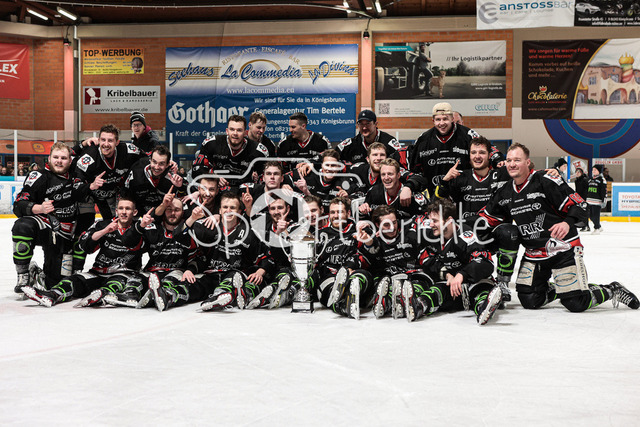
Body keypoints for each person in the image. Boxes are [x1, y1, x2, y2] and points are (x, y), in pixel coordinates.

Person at [480, 143, 639, 313]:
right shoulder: (505, 191)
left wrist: (567, 222)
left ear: (528, 162)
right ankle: (563, 289)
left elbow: (580, 205)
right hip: (534, 254)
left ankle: (612, 289)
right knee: (530, 300)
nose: (512, 164)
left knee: (576, 303)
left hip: (563, 249)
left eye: (517, 160)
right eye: (509, 160)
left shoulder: (545, 180)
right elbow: (487, 217)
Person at [12, 142, 104, 292]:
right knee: (22, 226)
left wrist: (85, 143)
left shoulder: (76, 173)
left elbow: (82, 153)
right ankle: (23, 275)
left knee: (57, 283)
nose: (59, 161)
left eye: (63, 158)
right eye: (55, 157)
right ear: (49, 158)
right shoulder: (39, 176)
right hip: (45, 225)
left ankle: (37, 275)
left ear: (70, 160)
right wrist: (40, 208)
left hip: (66, 233)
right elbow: (18, 205)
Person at [21, 196, 145, 307]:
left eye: (128, 209)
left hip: (124, 274)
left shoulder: (141, 228)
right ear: (116, 211)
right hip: (98, 273)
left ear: (134, 212)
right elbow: (84, 245)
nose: (124, 212)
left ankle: (102, 296)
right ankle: (51, 295)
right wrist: (104, 231)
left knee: (114, 283)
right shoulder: (103, 224)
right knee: (72, 280)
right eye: (121, 208)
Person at [435, 136, 517, 300]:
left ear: (489, 155)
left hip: (494, 233)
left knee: (510, 232)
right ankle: (468, 278)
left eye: (481, 152)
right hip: (469, 235)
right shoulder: (460, 177)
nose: (477, 156)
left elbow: (526, 173)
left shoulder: (502, 174)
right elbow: (437, 205)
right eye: (473, 152)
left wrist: (552, 172)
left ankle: (502, 283)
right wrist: (445, 181)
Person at [402, 199, 503, 324]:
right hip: (452, 288)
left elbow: (485, 262)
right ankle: (418, 306)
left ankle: (484, 307)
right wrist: (446, 274)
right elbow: (426, 259)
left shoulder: (465, 236)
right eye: (430, 220)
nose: (431, 224)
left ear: (449, 220)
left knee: (480, 291)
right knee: (437, 290)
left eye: (435, 221)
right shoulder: (432, 235)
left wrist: (461, 275)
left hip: (475, 283)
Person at [408, 102, 504, 196]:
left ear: (452, 119)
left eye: (445, 119)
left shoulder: (468, 134)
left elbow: (488, 149)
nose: (441, 123)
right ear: (433, 120)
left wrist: (498, 160)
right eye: (438, 119)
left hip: (466, 195)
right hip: (435, 195)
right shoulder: (423, 139)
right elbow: (414, 168)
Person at [357, 205, 431, 319]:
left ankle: (405, 303)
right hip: (390, 280)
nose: (392, 227)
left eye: (394, 222)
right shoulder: (375, 239)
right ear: (377, 225)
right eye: (386, 224)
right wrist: (368, 241)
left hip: (413, 277)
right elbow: (371, 251)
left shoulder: (409, 233)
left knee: (416, 286)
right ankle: (385, 303)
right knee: (385, 286)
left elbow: (425, 217)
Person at [74, 124, 146, 220]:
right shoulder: (88, 157)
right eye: (103, 140)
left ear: (117, 142)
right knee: (87, 220)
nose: (106, 144)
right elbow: (75, 186)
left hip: (116, 192)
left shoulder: (127, 149)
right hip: (93, 193)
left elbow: (148, 159)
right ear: (98, 140)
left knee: (121, 221)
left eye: (110, 140)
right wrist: (91, 186)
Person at [191, 114, 268, 189]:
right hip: (216, 191)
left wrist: (257, 179)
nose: (235, 133)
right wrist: (213, 177)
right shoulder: (211, 144)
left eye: (239, 130)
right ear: (227, 131)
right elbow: (196, 170)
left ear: (245, 133)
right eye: (232, 129)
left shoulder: (259, 151)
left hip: (244, 192)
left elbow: (265, 181)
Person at [123, 145, 185, 214]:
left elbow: (184, 196)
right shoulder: (136, 173)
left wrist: (180, 187)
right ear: (150, 160)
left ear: (168, 164)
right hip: (138, 214)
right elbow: (125, 196)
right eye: (154, 162)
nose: (156, 167)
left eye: (161, 164)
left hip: (163, 215)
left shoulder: (173, 175)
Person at [360, 158, 427, 220]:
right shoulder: (373, 192)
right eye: (383, 174)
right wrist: (362, 211)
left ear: (398, 175)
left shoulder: (412, 196)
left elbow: (425, 220)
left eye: (390, 174)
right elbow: (364, 218)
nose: (386, 178)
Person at [336, 110, 400, 165]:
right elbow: (333, 156)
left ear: (375, 124)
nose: (364, 127)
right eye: (361, 124)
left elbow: (401, 159)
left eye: (368, 124)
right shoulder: (351, 144)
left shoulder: (388, 142)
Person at [587, 165, 607, 235]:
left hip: (597, 201)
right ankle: (599, 226)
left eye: (595, 170)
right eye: (593, 170)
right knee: (590, 216)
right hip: (589, 201)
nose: (593, 171)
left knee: (595, 216)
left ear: (599, 171)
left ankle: (597, 228)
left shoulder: (602, 180)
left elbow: (603, 191)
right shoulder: (590, 179)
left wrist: (604, 200)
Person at [573, 168, 590, 232]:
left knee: (584, 212)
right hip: (579, 198)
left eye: (579, 172)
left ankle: (586, 226)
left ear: (581, 173)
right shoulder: (576, 181)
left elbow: (587, 189)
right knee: (581, 212)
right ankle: (584, 225)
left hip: (584, 198)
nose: (577, 173)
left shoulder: (584, 180)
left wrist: (586, 198)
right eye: (576, 172)